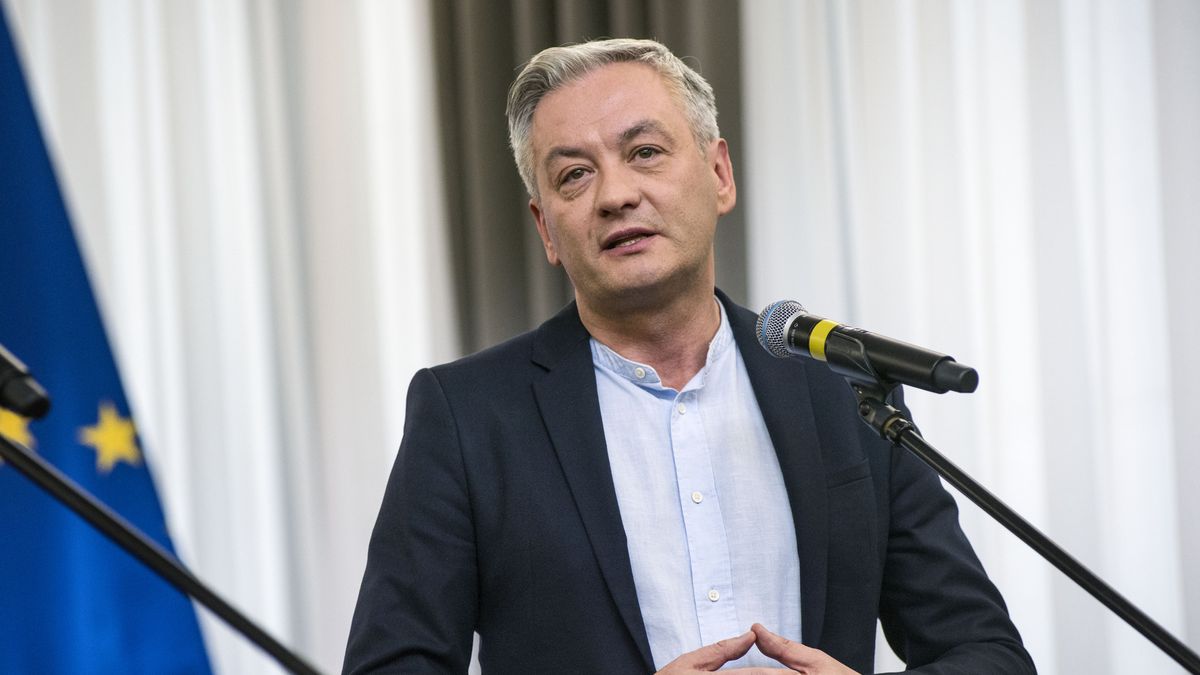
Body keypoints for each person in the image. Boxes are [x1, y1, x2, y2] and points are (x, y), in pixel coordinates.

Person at [344, 38, 1034, 674]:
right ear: (546, 227)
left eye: (644, 152)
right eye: (575, 175)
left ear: (719, 173)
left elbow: (986, 652)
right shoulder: (468, 418)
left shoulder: (841, 392)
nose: (616, 194)